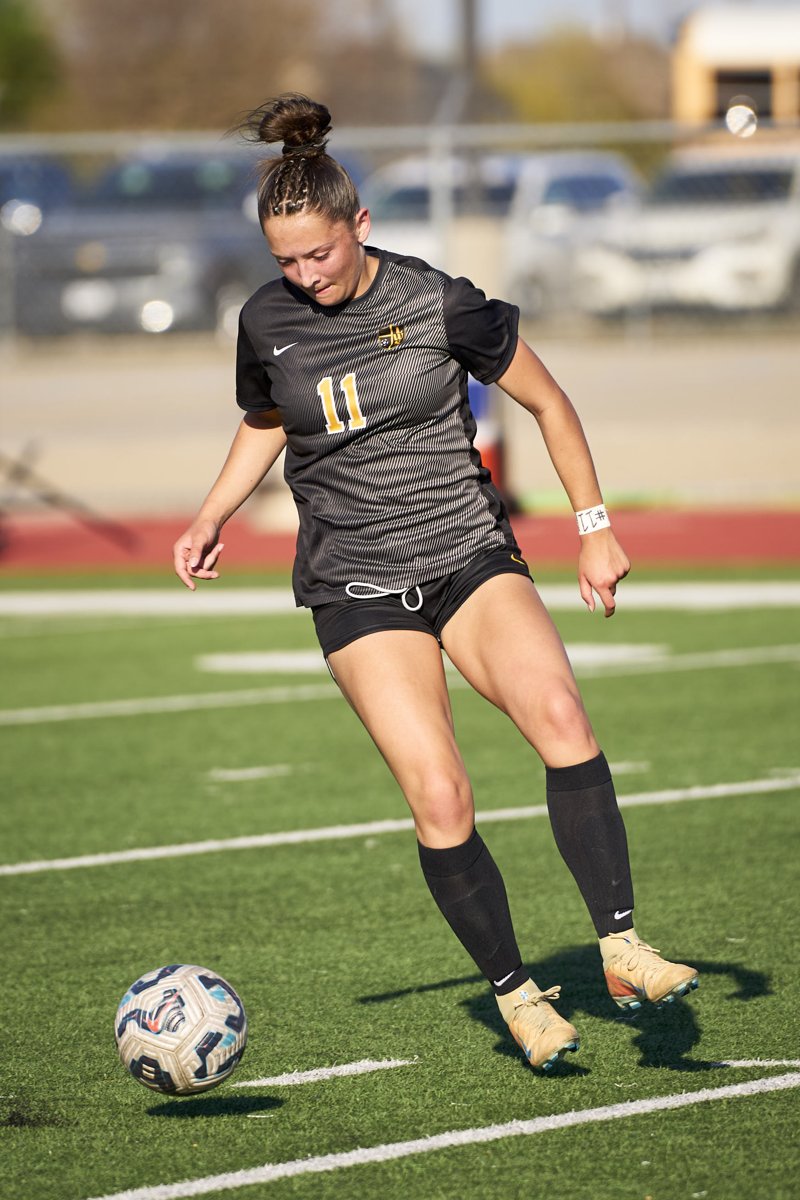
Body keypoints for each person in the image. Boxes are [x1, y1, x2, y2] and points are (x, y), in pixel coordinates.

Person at [173, 94, 698, 1073]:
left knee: (559, 716)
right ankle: (513, 991)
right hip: (354, 586)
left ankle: (621, 947)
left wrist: (594, 529)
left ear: (357, 227)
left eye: (318, 255)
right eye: (284, 261)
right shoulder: (265, 323)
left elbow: (546, 401)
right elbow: (264, 420)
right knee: (440, 797)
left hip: (465, 555)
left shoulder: (435, 300)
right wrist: (211, 515)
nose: (302, 275)